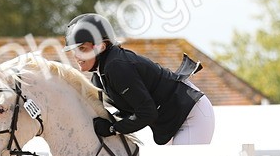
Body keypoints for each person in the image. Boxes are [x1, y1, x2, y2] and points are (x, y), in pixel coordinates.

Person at [63, 13, 215, 146]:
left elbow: (147, 113)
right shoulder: (99, 75)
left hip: (191, 114)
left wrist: (112, 129)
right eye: (74, 50)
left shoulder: (116, 67)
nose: (76, 56)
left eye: (82, 49)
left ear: (101, 47)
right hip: (171, 121)